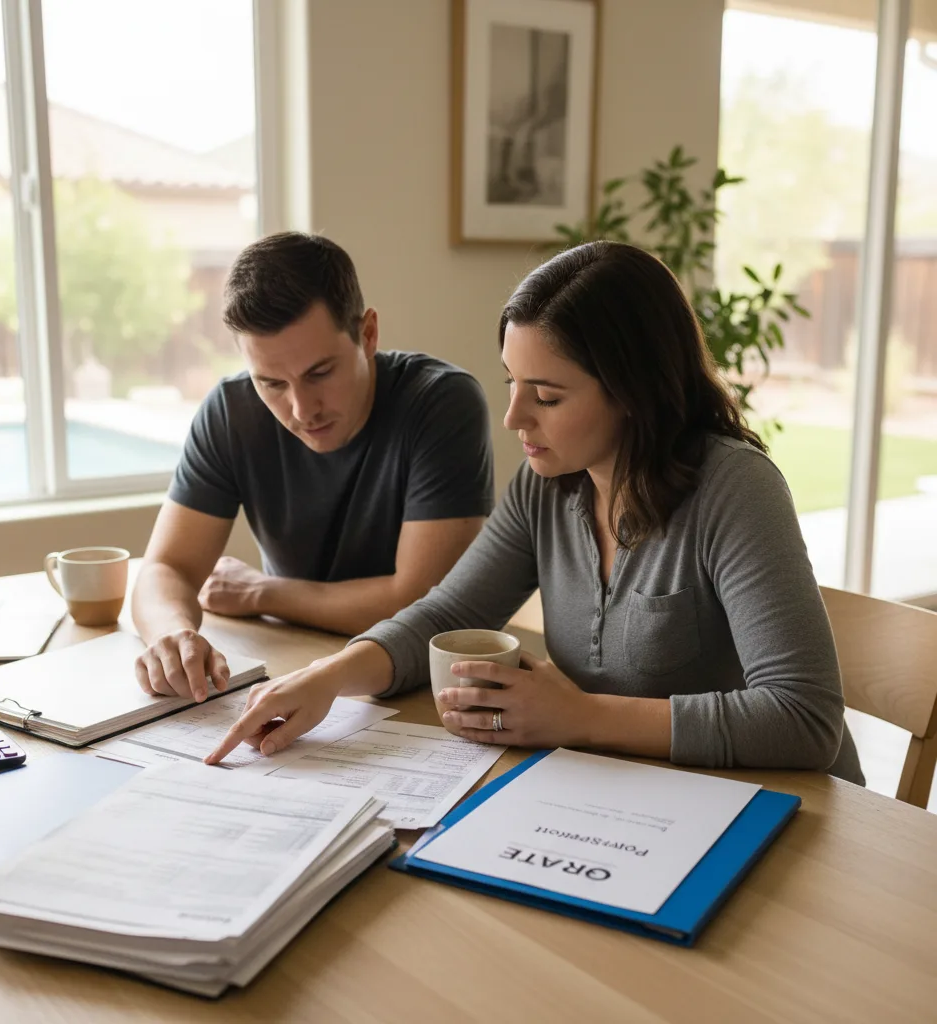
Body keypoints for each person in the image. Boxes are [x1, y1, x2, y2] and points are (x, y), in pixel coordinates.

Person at [204, 240, 864, 786]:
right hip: (637, 794)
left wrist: (579, 717)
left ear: (632, 391)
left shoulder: (735, 490)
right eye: (512, 384)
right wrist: (327, 679)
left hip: (789, 817)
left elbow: (803, 719)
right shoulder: (550, 484)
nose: (515, 417)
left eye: (546, 395)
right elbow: (449, 612)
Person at [132, 232, 494, 700]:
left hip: (415, 681)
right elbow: (167, 567)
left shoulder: (441, 402)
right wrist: (172, 634)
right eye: (271, 383)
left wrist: (264, 592)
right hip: (292, 659)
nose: (302, 409)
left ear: (367, 335)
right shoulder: (231, 411)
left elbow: (420, 602)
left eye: (319, 373)